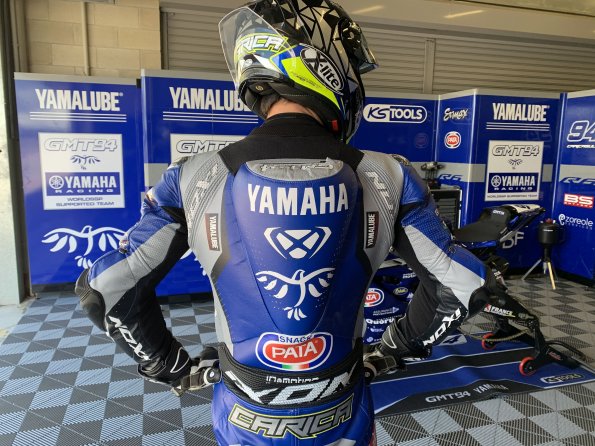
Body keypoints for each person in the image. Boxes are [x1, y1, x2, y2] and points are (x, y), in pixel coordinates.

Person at [75, 1, 501, 444]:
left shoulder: (191, 176)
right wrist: (395, 350)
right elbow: (465, 283)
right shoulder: (389, 174)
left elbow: (107, 288)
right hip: (342, 410)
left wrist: (171, 366)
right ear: (324, 68)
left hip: (244, 416)